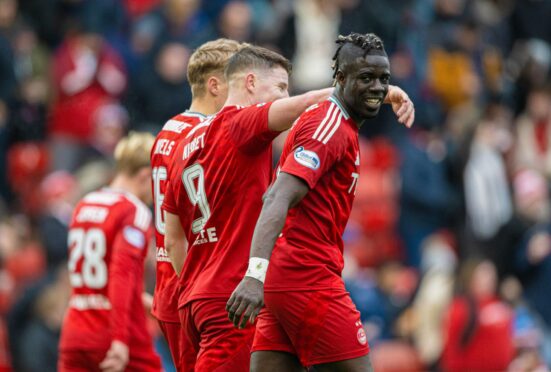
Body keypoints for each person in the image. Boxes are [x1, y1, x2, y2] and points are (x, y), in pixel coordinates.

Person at [164, 42, 414, 371]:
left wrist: (196, 284)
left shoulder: (183, 145)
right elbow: (306, 104)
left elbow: (172, 239)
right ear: (250, 83)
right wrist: (382, 91)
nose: (285, 96)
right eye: (280, 87)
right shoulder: (242, 125)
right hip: (234, 293)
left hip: (193, 297)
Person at [150, 38, 243, 370]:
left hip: (169, 285)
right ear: (215, 85)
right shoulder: (206, 137)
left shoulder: (168, 130)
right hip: (195, 287)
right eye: (238, 82)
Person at [59, 132, 161, 372]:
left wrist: (148, 302)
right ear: (145, 175)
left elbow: (93, 278)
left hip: (75, 330)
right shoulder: (132, 211)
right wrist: (119, 339)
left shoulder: (84, 204)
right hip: (114, 331)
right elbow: (120, 274)